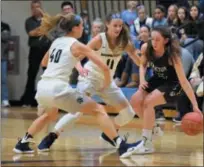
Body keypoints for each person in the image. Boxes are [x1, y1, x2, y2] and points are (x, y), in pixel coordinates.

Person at [13, 12, 142, 159]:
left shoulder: (57, 41)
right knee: (97, 110)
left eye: (120, 25)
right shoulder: (84, 43)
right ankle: (121, 145)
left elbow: (44, 63)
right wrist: (80, 68)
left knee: (50, 115)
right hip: (81, 82)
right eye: (81, 25)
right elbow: (100, 66)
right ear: (74, 28)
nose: (83, 28)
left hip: (44, 86)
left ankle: (23, 142)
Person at [129, 26, 202, 154]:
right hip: (159, 78)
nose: (154, 42)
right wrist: (142, 80)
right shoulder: (146, 47)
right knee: (135, 101)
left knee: (148, 102)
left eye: (158, 40)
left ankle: (147, 144)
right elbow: (142, 65)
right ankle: (154, 129)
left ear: (166, 41)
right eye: (152, 39)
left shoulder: (172, 56)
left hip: (174, 84)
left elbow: (184, 81)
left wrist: (195, 105)